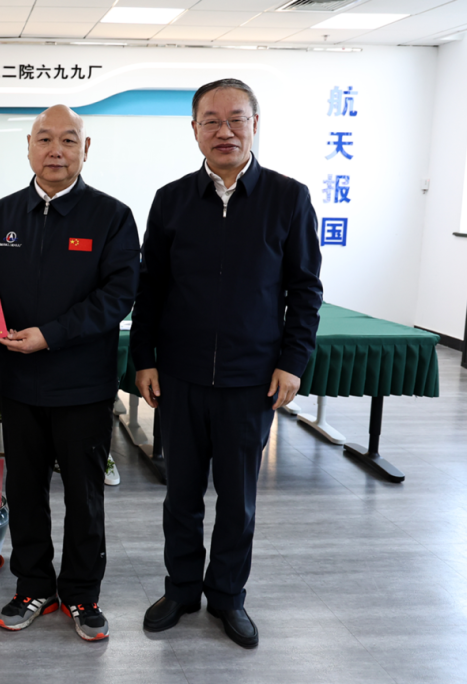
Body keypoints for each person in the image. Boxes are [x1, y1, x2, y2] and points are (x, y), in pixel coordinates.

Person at [132, 78, 323, 649]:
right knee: (181, 497)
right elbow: (151, 287)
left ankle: (228, 597)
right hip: (181, 376)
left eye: (236, 118)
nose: (224, 131)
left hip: (251, 380)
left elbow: (305, 289)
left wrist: (292, 361)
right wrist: (144, 358)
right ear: (194, 130)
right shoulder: (171, 199)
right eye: (211, 121)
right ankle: (181, 591)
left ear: (255, 125)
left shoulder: (288, 198)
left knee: (238, 503)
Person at [0, 105, 140, 642]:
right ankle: (33, 586)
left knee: (85, 496)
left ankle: (83, 593)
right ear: (29, 146)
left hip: (82, 386)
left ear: (85, 150)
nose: (56, 150)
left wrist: (52, 334)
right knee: (25, 490)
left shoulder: (111, 216)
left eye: (68, 140)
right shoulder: (0, 214)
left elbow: (118, 296)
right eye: (45, 139)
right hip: (18, 384)